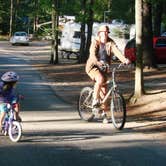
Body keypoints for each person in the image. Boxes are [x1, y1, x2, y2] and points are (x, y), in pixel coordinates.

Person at [85, 25, 130, 123]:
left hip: (104, 68)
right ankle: (95, 100)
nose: (105, 33)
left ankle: (104, 114)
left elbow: (117, 52)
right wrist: (97, 62)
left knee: (105, 92)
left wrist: (124, 60)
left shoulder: (110, 42)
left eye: (107, 32)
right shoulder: (95, 42)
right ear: (99, 33)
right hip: (93, 67)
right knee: (100, 79)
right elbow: (92, 54)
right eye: (103, 31)